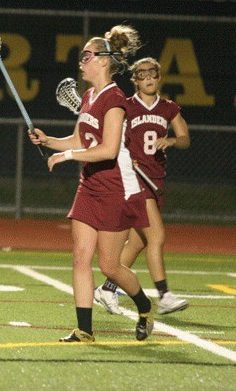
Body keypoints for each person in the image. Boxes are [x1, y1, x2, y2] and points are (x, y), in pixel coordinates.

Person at [29, 25, 154, 342]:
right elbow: (79, 139)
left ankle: (144, 305)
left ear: (103, 60)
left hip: (115, 188)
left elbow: (109, 149)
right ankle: (84, 329)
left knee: (110, 266)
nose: (81, 61)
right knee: (79, 257)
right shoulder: (88, 96)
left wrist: (68, 155)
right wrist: (50, 141)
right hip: (89, 185)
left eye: (86, 55)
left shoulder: (114, 100)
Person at [94, 57, 191, 316]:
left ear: (159, 78)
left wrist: (171, 141)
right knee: (157, 237)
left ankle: (106, 289)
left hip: (155, 181)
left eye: (152, 74)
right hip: (134, 181)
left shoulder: (169, 108)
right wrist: (125, 155)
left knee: (136, 244)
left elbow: (185, 138)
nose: (148, 79)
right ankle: (164, 295)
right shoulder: (126, 106)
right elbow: (111, 137)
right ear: (135, 80)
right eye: (142, 75)